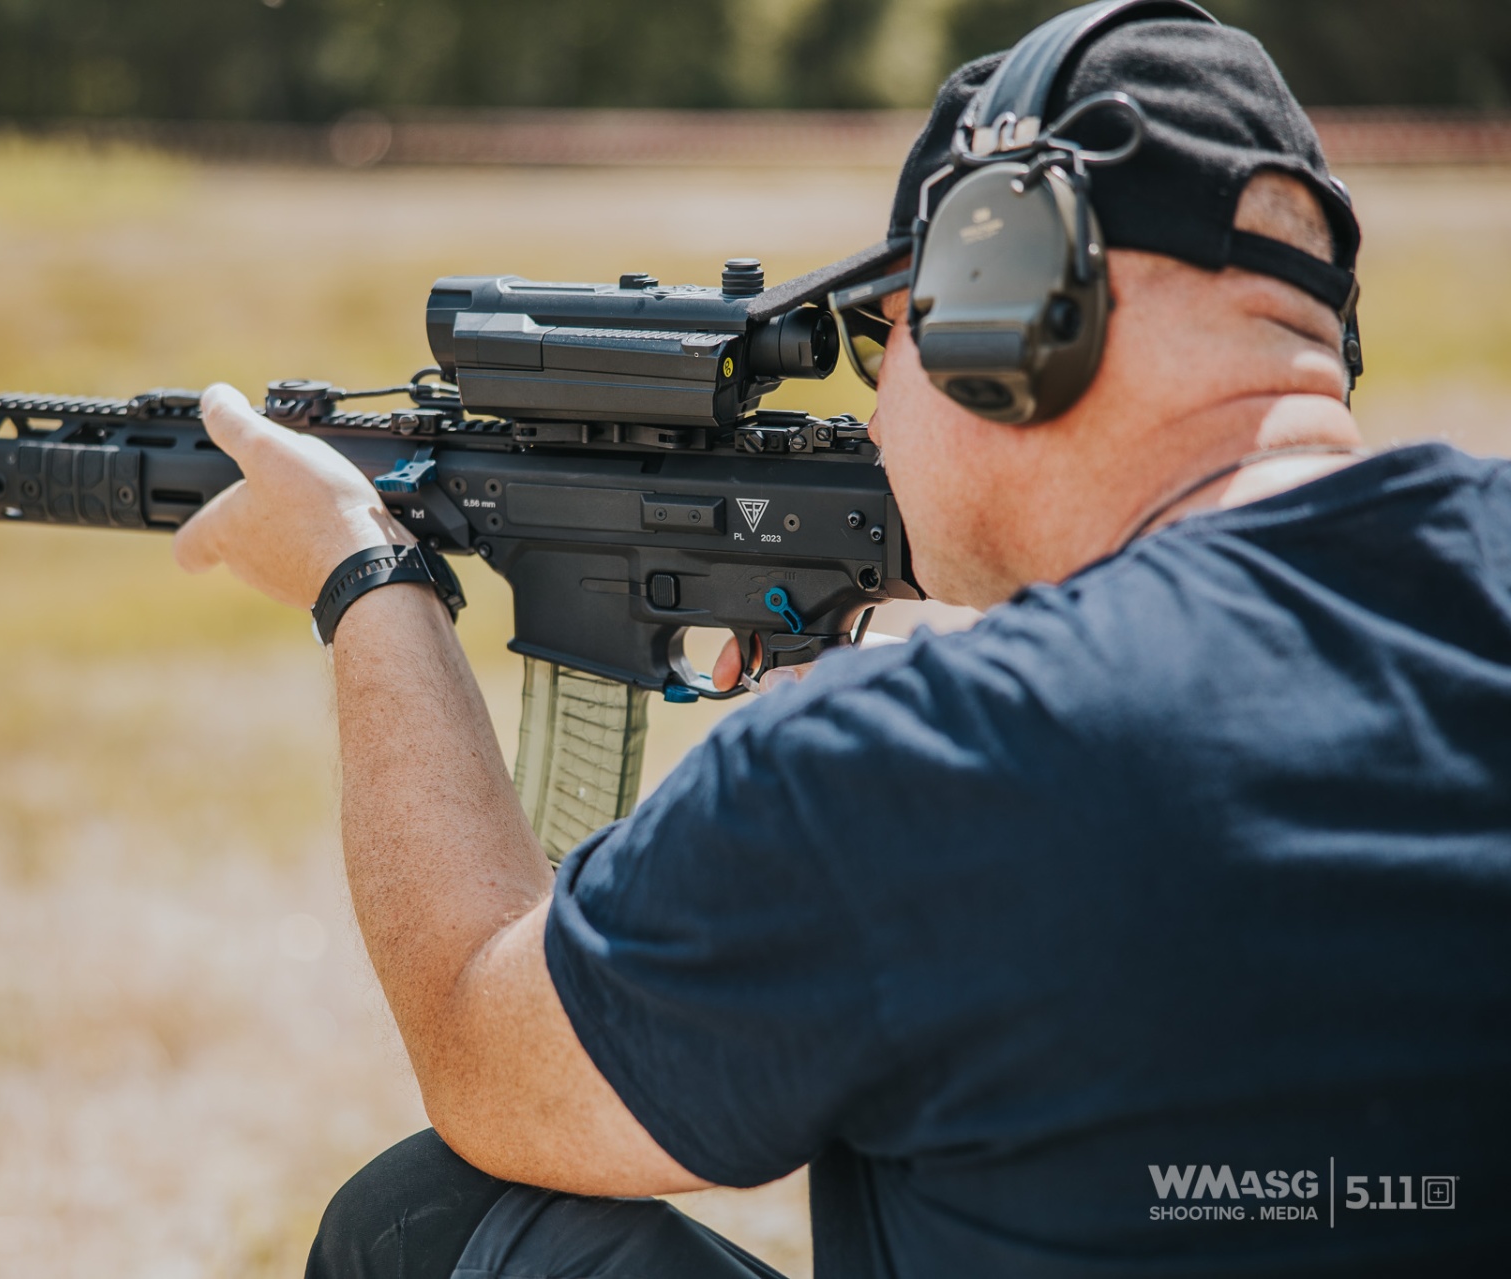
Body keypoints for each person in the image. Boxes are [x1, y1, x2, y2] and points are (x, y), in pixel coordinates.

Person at [172, 6, 1511, 1276]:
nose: (876, 413)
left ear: (1008, 299)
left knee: (419, 1225)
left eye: (888, 339)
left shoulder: (917, 770)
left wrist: (364, 576)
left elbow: (482, 1052)